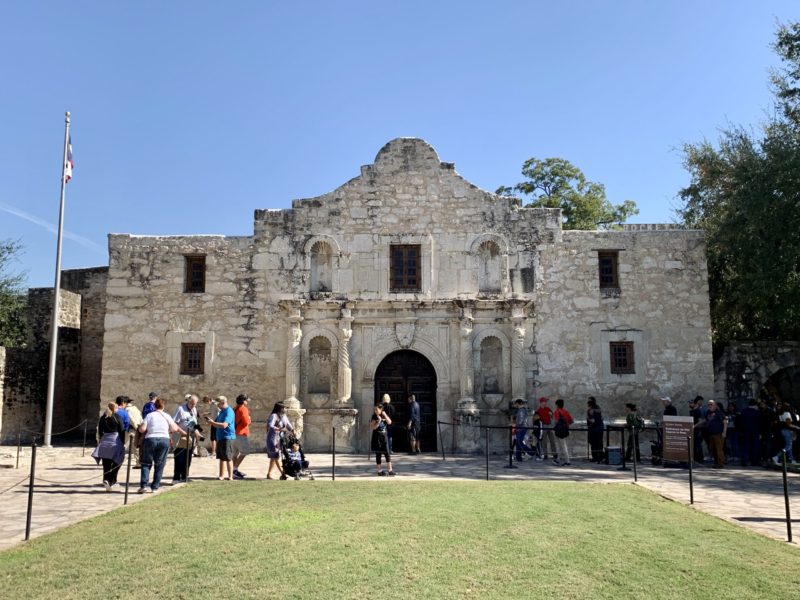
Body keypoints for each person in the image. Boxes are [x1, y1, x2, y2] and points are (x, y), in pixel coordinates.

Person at [138, 396, 186, 493]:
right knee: (160, 464)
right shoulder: (167, 416)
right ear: (163, 406)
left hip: (150, 438)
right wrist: (166, 430)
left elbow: (142, 429)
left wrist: (140, 429)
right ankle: (155, 486)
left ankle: (143, 485)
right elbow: (174, 428)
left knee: (146, 463)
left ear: (154, 406)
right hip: (164, 439)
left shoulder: (150, 415)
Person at [92, 402, 126, 491]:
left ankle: (106, 480)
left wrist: (100, 441)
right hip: (115, 441)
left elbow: (99, 430)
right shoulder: (116, 417)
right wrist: (122, 443)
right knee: (118, 461)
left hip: (104, 441)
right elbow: (122, 430)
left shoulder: (103, 417)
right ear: (114, 408)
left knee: (106, 463)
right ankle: (111, 480)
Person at [204, 395, 236, 481]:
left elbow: (224, 425)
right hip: (221, 437)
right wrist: (210, 421)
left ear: (223, 403)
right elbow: (217, 421)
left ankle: (230, 476)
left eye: (218, 404)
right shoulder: (222, 411)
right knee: (221, 457)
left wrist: (212, 423)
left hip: (227, 437)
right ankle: (221, 475)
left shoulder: (229, 411)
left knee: (228, 457)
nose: (217, 406)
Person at [172, 393, 199, 483]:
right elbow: (174, 423)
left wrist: (198, 432)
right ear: (188, 401)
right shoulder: (181, 409)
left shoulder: (194, 409)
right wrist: (181, 432)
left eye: (195, 404)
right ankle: (176, 478)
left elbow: (194, 423)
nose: (193, 406)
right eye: (192, 403)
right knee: (180, 458)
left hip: (191, 436)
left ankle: (184, 476)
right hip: (181, 436)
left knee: (188, 458)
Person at [266, 402, 293, 480]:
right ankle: (283, 473)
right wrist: (278, 429)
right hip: (272, 439)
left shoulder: (284, 416)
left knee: (274, 457)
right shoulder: (273, 416)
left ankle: (269, 474)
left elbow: (288, 424)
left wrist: (292, 430)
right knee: (276, 456)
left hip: (280, 439)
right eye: (283, 408)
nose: (284, 409)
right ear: (279, 408)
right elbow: (270, 425)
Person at [698, 400, 727, 468]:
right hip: (711, 434)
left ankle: (720, 463)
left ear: (715, 405)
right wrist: (695, 425)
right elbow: (704, 420)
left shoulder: (719, 412)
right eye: (708, 404)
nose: (709, 406)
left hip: (719, 434)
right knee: (713, 449)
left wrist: (724, 432)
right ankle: (716, 463)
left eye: (711, 404)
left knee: (719, 449)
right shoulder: (708, 412)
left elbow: (725, 422)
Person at [371, 403, 395, 476]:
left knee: (387, 453)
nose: (375, 411)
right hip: (377, 437)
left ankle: (390, 470)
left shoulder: (384, 415)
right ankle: (379, 471)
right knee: (378, 454)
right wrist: (378, 421)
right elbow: (373, 427)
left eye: (376, 409)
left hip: (384, 437)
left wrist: (385, 415)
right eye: (374, 409)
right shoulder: (374, 416)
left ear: (381, 409)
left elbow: (389, 422)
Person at [233, 394, 252, 479]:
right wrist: (249, 418)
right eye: (246, 400)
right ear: (243, 401)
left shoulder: (235, 408)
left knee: (235, 453)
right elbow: (246, 422)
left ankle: (233, 470)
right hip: (241, 433)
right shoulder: (243, 409)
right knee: (245, 451)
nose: (247, 402)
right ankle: (235, 468)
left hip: (234, 433)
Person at [738, 399, 761, 467]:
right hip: (754, 432)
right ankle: (754, 461)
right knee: (754, 446)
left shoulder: (744, 411)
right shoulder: (756, 413)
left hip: (745, 431)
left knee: (745, 446)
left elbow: (740, 422)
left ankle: (744, 461)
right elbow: (758, 424)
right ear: (755, 405)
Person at [552, 399, 573, 466]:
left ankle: (567, 461)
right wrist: (566, 425)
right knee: (561, 445)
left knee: (563, 446)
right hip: (565, 430)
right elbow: (571, 420)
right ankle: (558, 460)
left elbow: (556, 421)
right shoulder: (565, 411)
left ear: (557, 405)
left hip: (559, 430)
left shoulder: (557, 412)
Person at [125, 397, 143, 465]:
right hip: (137, 428)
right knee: (136, 446)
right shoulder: (136, 408)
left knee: (124, 445)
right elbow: (141, 418)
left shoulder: (127, 409)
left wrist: (135, 427)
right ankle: (138, 462)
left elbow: (131, 419)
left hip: (131, 429)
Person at [586, 397, 605, 463]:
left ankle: (595, 457)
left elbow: (592, 421)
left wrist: (588, 418)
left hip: (593, 430)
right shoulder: (598, 408)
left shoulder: (590, 410)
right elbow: (602, 418)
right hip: (600, 428)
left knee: (593, 443)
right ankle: (600, 457)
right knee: (599, 443)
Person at [689, 396, 705, 463]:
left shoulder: (698, 411)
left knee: (698, 444)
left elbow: (701, 421)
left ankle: (700, 459)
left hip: (698, 430)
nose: (689, 404)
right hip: (693, 430)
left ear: (694, 403)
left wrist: (694, 426)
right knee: (694, 444)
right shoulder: (691, 411)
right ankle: (695, 458)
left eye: (691, 403)